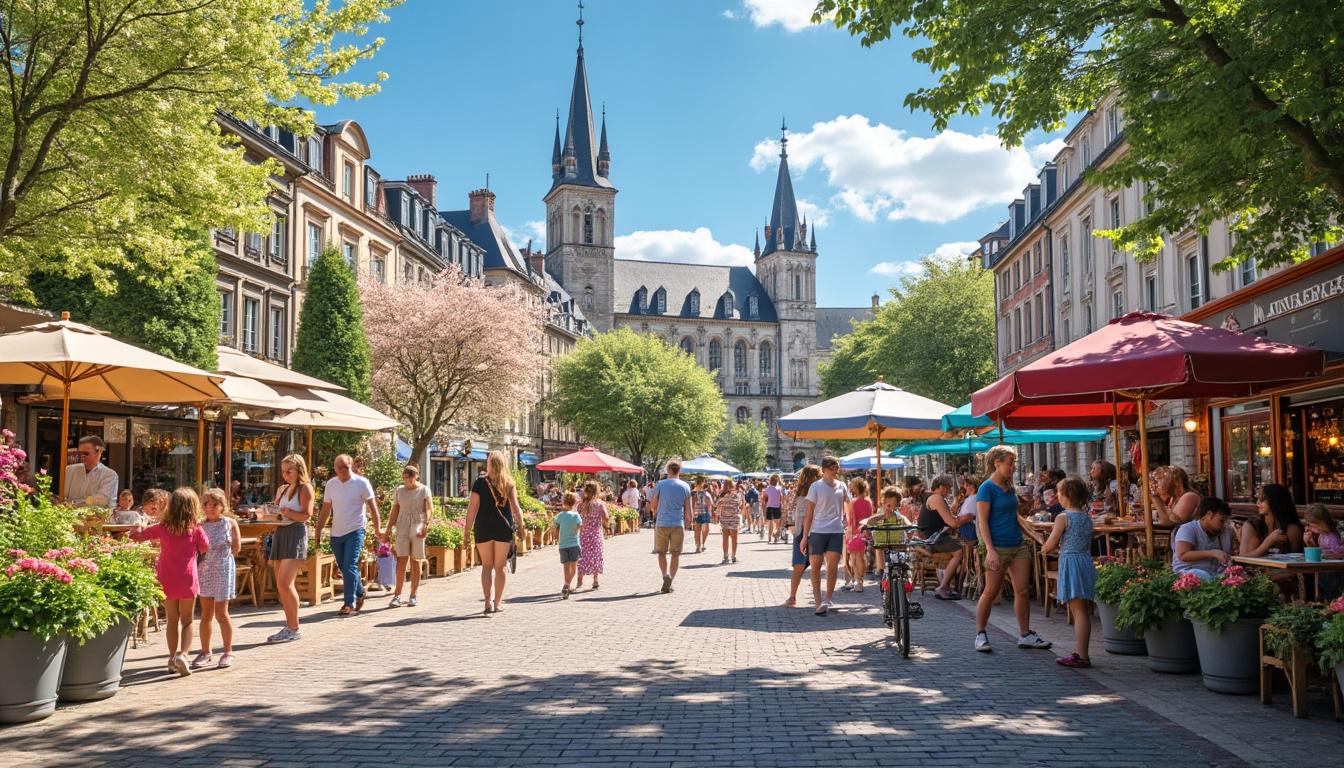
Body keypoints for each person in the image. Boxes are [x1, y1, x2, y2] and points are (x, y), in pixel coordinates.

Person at [974, 446, 1051, 653]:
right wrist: (989, 549)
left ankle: (1025, 634)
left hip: (1017, 545)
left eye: (1014, 463)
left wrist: (1035, 536)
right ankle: (981, 634)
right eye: (1010, 462)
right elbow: (982, 522)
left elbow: (1014, 517)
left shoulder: (1009, 486)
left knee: (1023, 590)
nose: (1013, 467)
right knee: (990, 591)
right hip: (997, 546)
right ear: (997, 463)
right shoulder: (986, 489)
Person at [130, 488, 210, 676]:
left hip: (167, 578)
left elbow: (138, 536)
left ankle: (172, 657)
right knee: (188, 620)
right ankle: (184, 654)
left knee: (172, 620)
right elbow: (205, 547)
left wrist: (136, 530)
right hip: (188, 579)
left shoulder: (163, 527)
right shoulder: (195, 528)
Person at [314, 454, 381, 617]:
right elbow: (325, 510)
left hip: (356, 529)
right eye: (338, 467)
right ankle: (360, 592)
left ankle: (348, 603)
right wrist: (318, 530)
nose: (341, 470)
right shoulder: (331, 484)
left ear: (351, 466)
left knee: (350, 565)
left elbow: (373, 508)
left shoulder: (361, 483)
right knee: (344, 567)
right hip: (337, 531)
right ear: (334, 468)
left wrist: (378, 529)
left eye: (345, 467)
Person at [1042, 476, 1096, 669]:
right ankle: (1082, 651)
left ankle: (1082, 655)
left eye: (1059, 492)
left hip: (1071, 562)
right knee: (1083, 609)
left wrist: (1044, 548)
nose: (1057, 495)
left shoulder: (1063, 517)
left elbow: (1052, 543)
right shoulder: (1085, 517)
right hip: (1084, 560)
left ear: (1066, 496)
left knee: (1078, 611)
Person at [463, 451, 524, 615]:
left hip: (483, 527)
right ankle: (497, 603)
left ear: (489, 464)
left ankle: (487, 602)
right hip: (503, 528)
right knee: (500, 567)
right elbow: (516, 509)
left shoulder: (479, 483)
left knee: (486, 566)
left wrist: (466, 532)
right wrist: (522, 528)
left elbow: (472, 510)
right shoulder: (508, 483)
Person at [267, 454, 313, 643]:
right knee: (281, 585)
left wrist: (287, 512)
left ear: (299, 470)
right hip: (281, 533)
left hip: (295, 533)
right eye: (283, 471)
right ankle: (289, 626)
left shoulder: (305, 488)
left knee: (286, 583)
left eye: (289, 471)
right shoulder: (284, 489)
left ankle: (294, 628)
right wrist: (270, 510)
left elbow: (306, 515)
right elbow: (278, 511)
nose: (285, 475)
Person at [194, 488, 241, 670]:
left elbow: (236, 548)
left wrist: (223, 557)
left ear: (222, 506)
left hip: (222, 568)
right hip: (204, 569)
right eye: (206, 504)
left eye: (214, 505)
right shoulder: (199, 525)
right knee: (206, 614)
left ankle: (228, 651)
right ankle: (205, 651)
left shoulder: (229, 523)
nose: (210, 508)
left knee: (222, 613)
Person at [801, 457, 851, 616]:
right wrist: (804, 536)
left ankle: (828, 598)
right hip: (817, 531)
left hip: (836, 530)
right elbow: (808, 514)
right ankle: (818, 601)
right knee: (815, 566)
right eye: (833, 468)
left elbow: (848, 506)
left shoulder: (842, 486)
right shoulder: (816, 486)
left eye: (837, 467)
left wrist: (850, 524)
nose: (836, 470)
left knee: (833, 565)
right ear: (825, 470)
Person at [383, 464, 431, 608]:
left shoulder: (424, 490)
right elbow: (395, 509)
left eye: (409, 478)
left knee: (416, 559)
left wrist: (425, 524)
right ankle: (397, 595)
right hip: (402, 523)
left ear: (416, 476)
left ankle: (413, 595)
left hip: (418, 522)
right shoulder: (399, 490)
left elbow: (428, 509)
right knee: (401, 560)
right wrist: (388, 528)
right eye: (404, 478)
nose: (406, 481)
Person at [917, 475, 965, 601]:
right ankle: (942, 587)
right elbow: (953, 523)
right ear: (942, 487)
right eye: (948, 488)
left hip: (931, 535)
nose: (949, 491)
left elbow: (949, 516)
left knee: (958, 546)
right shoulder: (937, 498)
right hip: (933, 538)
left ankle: (947, 585)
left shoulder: (932, 497)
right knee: (959, 552)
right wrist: (967, 517)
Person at [649, 460, 693, 594]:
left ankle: (665, 575)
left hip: (662, 523)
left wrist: (655, 511)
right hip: (677, 523)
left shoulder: (661, 484)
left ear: (668, 471)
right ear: (679, 471)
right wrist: (688, 522)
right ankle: (671, 580)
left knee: (661, 552)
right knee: (675, 554)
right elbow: (688, 510)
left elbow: (653, 504)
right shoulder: (685, 486)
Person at [1172, 496, 1235, 580]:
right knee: (1202, 575)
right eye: (1221, 520)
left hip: (1214, 573)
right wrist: (1212, 553)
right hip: (1188, 572)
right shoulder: (1188, 529)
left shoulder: (1225, 532)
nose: (1223, 524)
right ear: (1209, 514)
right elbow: (1183, 555)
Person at [784, 465, 821, 607]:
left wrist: (792, 527)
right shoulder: (817, 490)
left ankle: (793, 597)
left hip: (802, 531)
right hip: (813, 531)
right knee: (812, 566)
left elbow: (791, 511)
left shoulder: (799, 491)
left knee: (799, 566)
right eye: (817, 475)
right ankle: (814, 599)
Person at [1240, 483, 1304, 557]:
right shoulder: (1252, 525)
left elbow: (1294, 558)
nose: (1257, 503)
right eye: (1257, 499)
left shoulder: (1291, 528)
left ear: (1275, 501)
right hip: (1255, 568)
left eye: (1262, 499)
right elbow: (1243, 557)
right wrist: (1269, 541)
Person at [62, 435, 118, 507]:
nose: (82, 456)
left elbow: (100, 500)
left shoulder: (110, 475)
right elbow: (62, 496)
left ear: (98, 453)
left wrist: (72, 503)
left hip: (97, 517)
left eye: (86, 454)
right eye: (80, 453)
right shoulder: (69, 470)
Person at [576, 480, 608, 590]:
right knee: (596, 555)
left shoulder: (581, 505)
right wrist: (604, 523)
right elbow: (606, 517)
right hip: (596, 534)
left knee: (582, 556)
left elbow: (577, 518)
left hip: (584, 534)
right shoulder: (599, 504)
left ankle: (579, 580)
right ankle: (595, 580)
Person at [551, 492, 583, 598]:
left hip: (563, 545)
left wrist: (556, 536)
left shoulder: (560, 516)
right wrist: (575, 531)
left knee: (566, 567)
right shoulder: (576, 515)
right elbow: (580, 525)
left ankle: (566, 585)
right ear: (574, 503)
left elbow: (554, 527)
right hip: (574, 544)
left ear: (563, 502)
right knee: (573, 568)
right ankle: (567, 585)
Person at [843, 478, 872, 592]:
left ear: (857, 487)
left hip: (855, 532)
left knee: (855, 557)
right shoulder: (868, 501)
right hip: (865, 532)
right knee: (861, 556)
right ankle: (860, 580)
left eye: (853, 486)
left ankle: (857, 581)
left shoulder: (852, 502)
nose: (851, 488)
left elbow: (850, 519)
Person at [715, 479, 745, 564]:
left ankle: (725, 556)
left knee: (725, 538)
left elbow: (716, 505)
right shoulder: (739, 494)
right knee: (734, 538)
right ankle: (734, 556)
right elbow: (741, 506)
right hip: (734, 517)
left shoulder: (722, 494)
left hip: (724, 518)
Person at [691, 479, 713, 554]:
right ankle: (698, 545)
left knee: (705, 529)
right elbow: (692, 504)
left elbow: (710, 504)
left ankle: (701, 543)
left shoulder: (706, 493)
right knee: (698, 529)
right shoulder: (694, 493)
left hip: (705, 512)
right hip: (698, 512)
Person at [763, 473, 785, 543]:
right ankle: (776, 538)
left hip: (769, 507)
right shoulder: (779, 489)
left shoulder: (767, 489)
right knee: (777, 525)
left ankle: (769, 538)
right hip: (777, 507)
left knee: (770, 524)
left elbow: (764, 499)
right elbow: (782, 499)